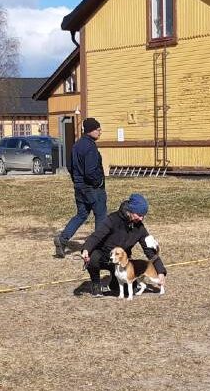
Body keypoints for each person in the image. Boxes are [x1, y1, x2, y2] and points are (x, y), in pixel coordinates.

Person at [79, 194, 166, 297]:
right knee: (93, 258)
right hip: (104, 256)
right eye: (139, 215)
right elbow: (96, 236)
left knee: (130, 291)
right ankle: (96, 284)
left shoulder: (140, 228)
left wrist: (160, 271)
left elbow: (149, 250)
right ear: (131, 211)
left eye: (143, 215)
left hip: (123, 261)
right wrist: (86, 249)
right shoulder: (112, 219)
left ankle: (114, 283)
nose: (142, 218)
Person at [55, 117, 106, 258]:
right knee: (101, 216)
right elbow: (90, 171)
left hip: (79, 187)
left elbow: (70, 166)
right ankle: (98, 248)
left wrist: (77, 181)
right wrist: (99, 182)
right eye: (97, 129)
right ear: (90, 130)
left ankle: (62, 239)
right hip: (93, 189)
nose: (100, 131)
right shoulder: (90, 147)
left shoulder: (76, 145)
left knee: (81, 214)